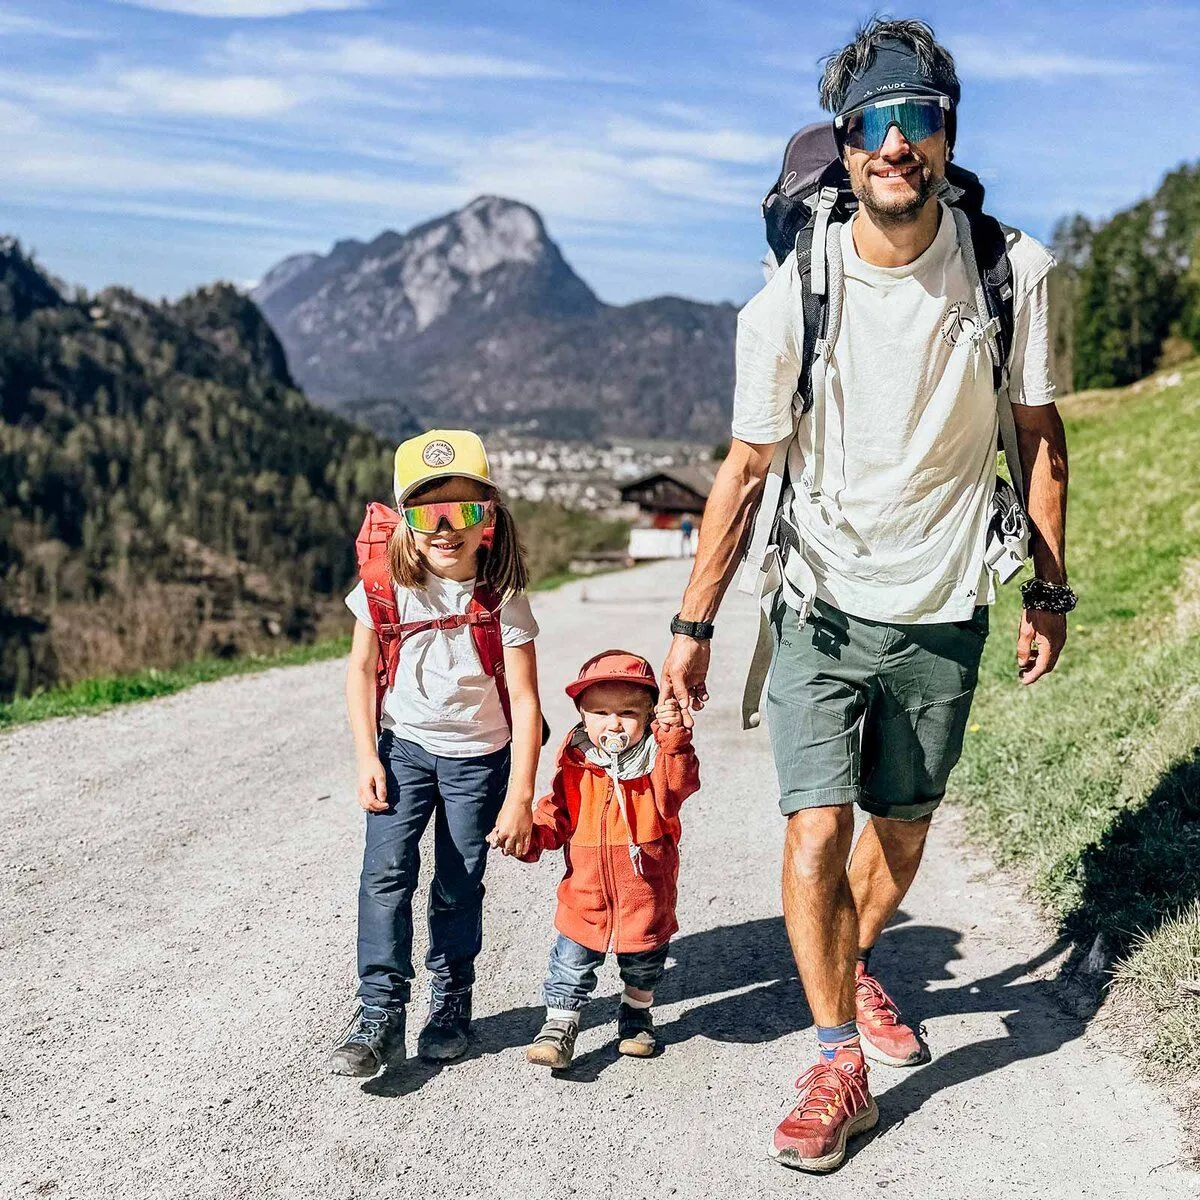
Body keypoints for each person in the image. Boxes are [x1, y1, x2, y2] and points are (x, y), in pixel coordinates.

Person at [660, 18, 1073, 1174]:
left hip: (944, 606)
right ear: (844, 147)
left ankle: (850, 958)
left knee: (903, 830)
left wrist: (1050, 590)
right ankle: (836, 1059)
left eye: (917, 118)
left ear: (948, 135)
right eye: (873, 123)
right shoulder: (790, 296)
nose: (897, 142)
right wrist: (692, 627)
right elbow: (745, 470)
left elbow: (1040, 437)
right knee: (815, 824)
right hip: (821, 604)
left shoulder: (1013, 271)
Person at [329, 429, 543, 1077]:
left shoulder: (501, 594)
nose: (447, 529)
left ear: (489, 516)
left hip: (478, 760)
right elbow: (360, 671)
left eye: (464, 510)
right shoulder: (384, 586)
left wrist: (521, 796)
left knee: (457, 883)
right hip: (403, 751)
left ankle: (450, 1001)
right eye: (428, 515)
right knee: (385, 876)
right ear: (405, 521)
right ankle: (379, 1012)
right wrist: (367, 756)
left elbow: (526, 701)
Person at [512, 651, 700, 1069]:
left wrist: (674, 739)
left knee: (644, 966)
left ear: (649, 715)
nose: (613, 724)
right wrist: (532, 836)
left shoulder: (659, 758)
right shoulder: (578, 760)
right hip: (585, 896)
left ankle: (636, 1016)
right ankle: (559, 1026)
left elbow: (680, 786)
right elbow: (557, 811)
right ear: (582, 715)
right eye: (600, 713)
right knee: (570, 964)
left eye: (627, 713)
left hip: (644, 897)